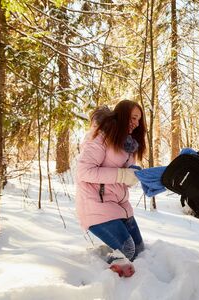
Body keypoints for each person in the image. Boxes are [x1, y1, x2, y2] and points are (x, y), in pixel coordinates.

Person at [75, 100, 147, 274]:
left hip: (119, 205)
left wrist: (132, 175)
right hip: (95, 205)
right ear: (122, 116)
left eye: (139, 120)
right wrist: (121, 175)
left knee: (139, 250)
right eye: (133, 117)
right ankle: (102, 268)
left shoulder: (128, 145)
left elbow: (119, 173)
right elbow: (84, 171)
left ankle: (116, 253)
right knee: (128, 250)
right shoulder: (101, 138)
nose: (136, 123)